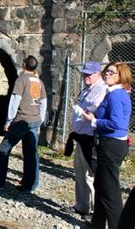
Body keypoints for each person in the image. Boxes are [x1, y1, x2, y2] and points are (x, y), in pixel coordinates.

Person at [0, 55, 47, 193]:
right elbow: (43, 103)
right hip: (34, 120)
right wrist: (40, 121)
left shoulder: (21, 80)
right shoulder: (39, 82)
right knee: (31, 153)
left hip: (21, 121)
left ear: (24, 65)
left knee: (4, 149)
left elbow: (15, 101)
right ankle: (30, 185)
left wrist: (8, 121)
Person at [82, 62, 132, 229]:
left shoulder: (116, 95)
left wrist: (94, 120)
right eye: (107, 71)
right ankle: (97, 224)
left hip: (111, 144)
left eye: (112, 72)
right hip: (110, 143)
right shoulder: (115, 93)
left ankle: (118, 226)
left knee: (110, 191)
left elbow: (116, 123)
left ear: (121, 76)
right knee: (101, 185)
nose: (107, 74)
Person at [62, 61, 106, 221]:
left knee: (89, 175)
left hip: (90, 138)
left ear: (97, 74)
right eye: (84, 74)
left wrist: (80, 111)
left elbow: (93, 110)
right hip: (81, 137)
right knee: (80, 172)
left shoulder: (100, 89)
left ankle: (94, 211)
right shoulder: (88, 89)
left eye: (89, 74)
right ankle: (82, 205)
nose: (85, 76)